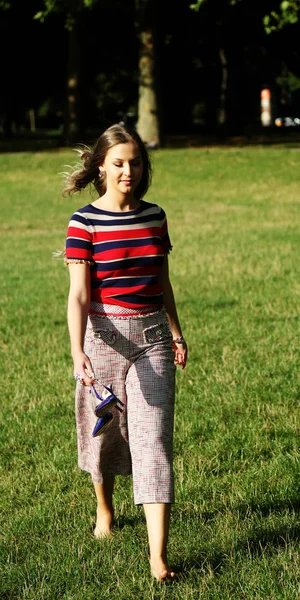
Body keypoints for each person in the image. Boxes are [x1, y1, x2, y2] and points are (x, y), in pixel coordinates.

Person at [61, 123, 187, 582]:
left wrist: (176, 332)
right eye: (118, 163)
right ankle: (105, 509)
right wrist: (78, 353)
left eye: (135, 162)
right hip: (103, 336)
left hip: (152, 337)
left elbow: (163, 281)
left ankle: (158, 558)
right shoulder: (84, 222)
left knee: (153, 442)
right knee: (105, 436)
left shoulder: (155, 216)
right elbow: (78, 295)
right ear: (100, 167)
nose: (127, 171)